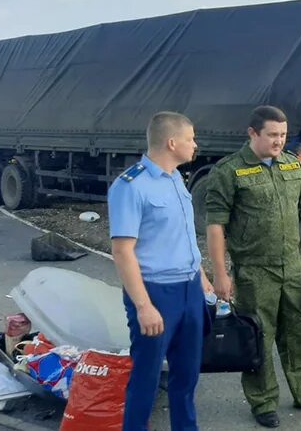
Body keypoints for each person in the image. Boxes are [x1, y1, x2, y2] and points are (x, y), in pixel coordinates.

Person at [205, 106, 301, 429]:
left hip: (291, 267)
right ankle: (263, 401)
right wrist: (220, 274)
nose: (279, 141)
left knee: (298, 333)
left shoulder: (292, 165)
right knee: (259, 337)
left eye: (282, 135)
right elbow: (216, 227)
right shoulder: (230, 171)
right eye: (272, 135)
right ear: (253, 133)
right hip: (254, 271)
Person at [108, 111, 214, 431]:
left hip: (189, 289)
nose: (195, 145)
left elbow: (181, 237)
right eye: (190, 139)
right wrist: (143, 306)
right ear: (172, 142)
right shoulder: (131, 186)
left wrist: (203, 278)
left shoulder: (176, 181)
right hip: (156, 293)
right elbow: (122, 251)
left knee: (186, 377)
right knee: (146, 379)